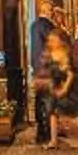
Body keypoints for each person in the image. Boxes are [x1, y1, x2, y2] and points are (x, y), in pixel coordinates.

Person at [36, 21, 78, 149]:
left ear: (60, 40)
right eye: (50, 39)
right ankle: (53, 141)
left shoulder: (65, 53)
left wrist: (64, 89)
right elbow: (43, 68)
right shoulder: (48, 53)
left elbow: (70, 74)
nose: (51, 42)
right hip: (53, 86)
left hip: (65, 86)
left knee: (66, 117)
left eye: (54, 40)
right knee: (52, 114)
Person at [26, 7, 59, 143]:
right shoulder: (47, 25)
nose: (53, 13)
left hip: (37, 67)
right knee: (49, 102)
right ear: (48, 11)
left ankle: (40, 132)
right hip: (48, 68)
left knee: (39, 100)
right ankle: (49, 134)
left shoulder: (34, 25)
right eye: (51, 11)